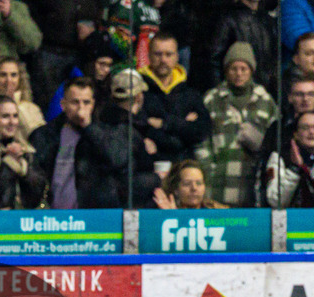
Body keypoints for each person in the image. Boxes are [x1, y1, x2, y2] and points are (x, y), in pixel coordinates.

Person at [194, 42, 278, 207]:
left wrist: (259, 141)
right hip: (217, 181)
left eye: (243, 69)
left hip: (252, 184)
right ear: (226, 70)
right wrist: (206, 167)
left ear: (251, 70)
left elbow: (275, 140)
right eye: (233, 68)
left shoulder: (265, 100)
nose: (238, 73)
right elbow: (200, 138)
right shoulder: (211, 98)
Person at [29, 76, 120, 209]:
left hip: (91, 217)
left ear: (93, 104)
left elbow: (115, 161)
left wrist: (89, 127)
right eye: (75, 102)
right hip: (52, 216)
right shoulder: (43, 135)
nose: (81, 108)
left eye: (86, 102)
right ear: (63, 104)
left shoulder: (106, 133)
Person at [138, 31, 213, 164]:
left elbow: (203, 130)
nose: (163, 60)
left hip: (183, 168)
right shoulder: (138, 91)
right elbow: (138, 127)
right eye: (158, 54)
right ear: (149, 55)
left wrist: (163, 123)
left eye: (168, 54)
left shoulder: (190, 94)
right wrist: (183, 124)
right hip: (149, 167)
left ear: (177, 57)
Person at [96, 68, 162, 208]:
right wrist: (158, 178)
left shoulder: (100, 124)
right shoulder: (132, 132)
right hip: (126, 207)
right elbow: (126, 182)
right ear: (139, 97)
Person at [0, 56, 44, 140]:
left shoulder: (32, 108)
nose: (8, 80)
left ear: (20, 79)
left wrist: (15, 105)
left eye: (13, 75)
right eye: (3, 75)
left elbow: (38, 138)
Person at [152, 159, 228, 209]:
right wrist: (172, 217)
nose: (194, 188)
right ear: (176, 190)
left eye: (199, 183)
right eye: (187, 184)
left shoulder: (219, 211)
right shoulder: (167, 210)